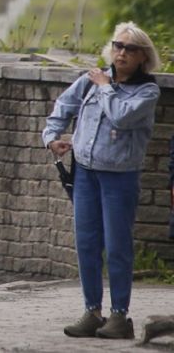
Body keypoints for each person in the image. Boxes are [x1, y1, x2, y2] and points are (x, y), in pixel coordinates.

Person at [43, 22, 161, 340]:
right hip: (85, 173)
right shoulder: (90, 81)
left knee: (117, 245)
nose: (121, 53)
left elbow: (122, 117)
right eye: (118, 46)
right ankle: (92, 311)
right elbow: (63, 108)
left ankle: (119, 316)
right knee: (87, 242)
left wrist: (106, 86)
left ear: (142, 57)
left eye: (130, 49)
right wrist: (51, 137)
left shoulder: (147, 91)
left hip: (119, 178)